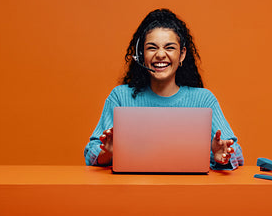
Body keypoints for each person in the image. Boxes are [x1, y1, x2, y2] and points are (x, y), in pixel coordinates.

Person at [84, 9, 244, 170]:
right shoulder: (120, 97)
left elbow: (234, 151)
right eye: (152, 48)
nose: (160, 55)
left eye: (169, 48)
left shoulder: (203, 100)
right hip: (132, 190)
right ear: (141, 55)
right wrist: (108, 153)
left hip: (189, 190)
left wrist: (221, 156)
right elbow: (92, 153)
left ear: (182, 54)